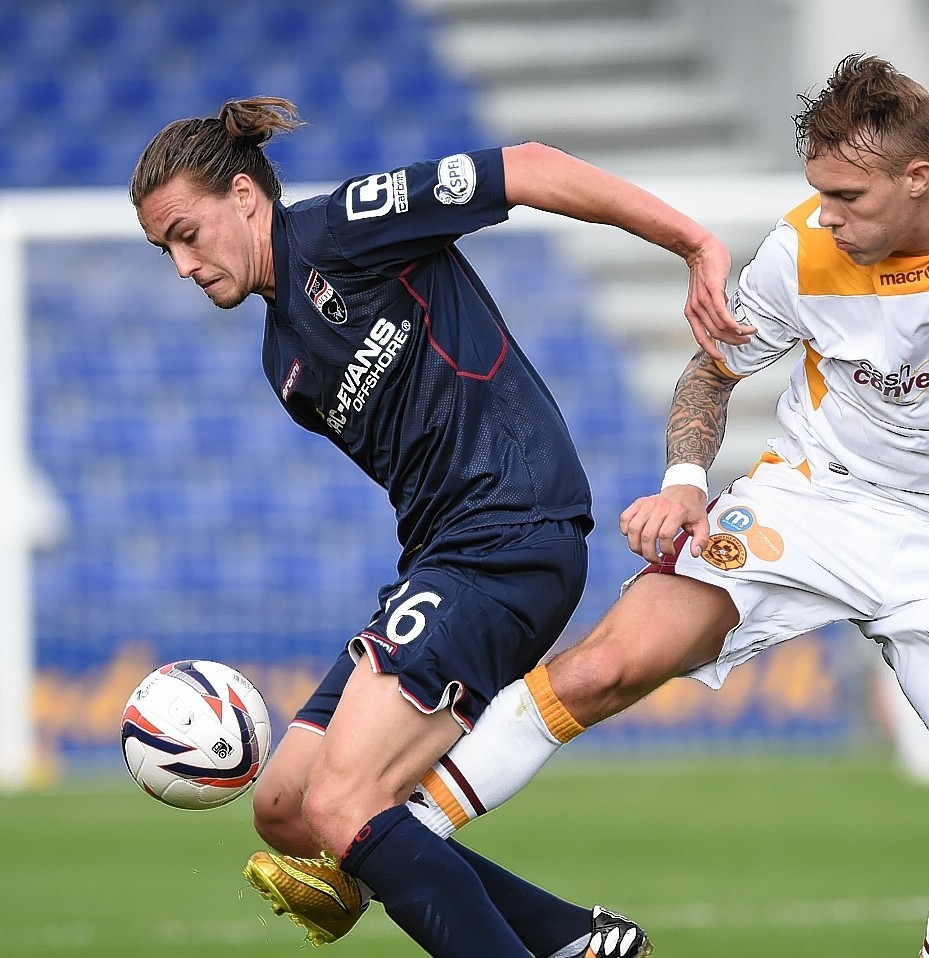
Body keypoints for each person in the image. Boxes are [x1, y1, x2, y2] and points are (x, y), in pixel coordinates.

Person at [129, 99, 742, 957]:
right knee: (291, 807)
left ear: (243, 194)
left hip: (509, 533)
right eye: (166, 251)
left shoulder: (346, 227)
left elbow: (525, 166)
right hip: (444, 559)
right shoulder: (286, 365)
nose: (184, 266)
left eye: (188, 234)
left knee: (346, 804)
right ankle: (573, 942)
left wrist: (693, 243)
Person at [366, 52, 929, 957]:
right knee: (606, 665)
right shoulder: (800, 252)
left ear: (918, 178)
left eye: (848, 197)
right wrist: (683, 483)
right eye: (817, 190)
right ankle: (387, 843)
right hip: (815, 501)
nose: (827, 214)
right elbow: (711, 371)